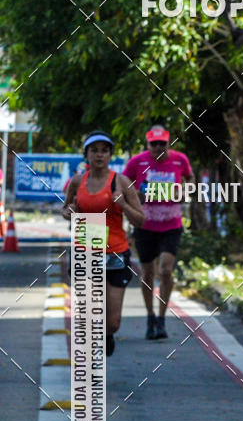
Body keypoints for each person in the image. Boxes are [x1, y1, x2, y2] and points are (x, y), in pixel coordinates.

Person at [62, 131, 145, 356]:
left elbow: (140, 219)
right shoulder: (78, 181)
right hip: (84, 251)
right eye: (94, 150)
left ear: (110, 155)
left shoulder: (121, 182)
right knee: (88, 311)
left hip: (115, 254)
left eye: (104, 151)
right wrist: (68, 212)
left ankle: (107, 335)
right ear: (86, 154)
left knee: (113, 321)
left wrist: (123, 204)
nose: (99, 155)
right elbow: (66, 209)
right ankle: (89, 357)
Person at [123, 125, 193, 339]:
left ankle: (162, 318)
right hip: (145, 226)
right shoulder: (137, 162)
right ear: (148, 144)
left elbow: (190, 180)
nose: (158, 147)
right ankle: (150, 316)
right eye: (154, 144)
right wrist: (135, 196)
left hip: (171, 225)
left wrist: (186, 192)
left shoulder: (180, 160)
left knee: (165, 270)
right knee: (147, 274)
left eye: (162, 143)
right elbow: (123, 185)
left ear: (168, 143)